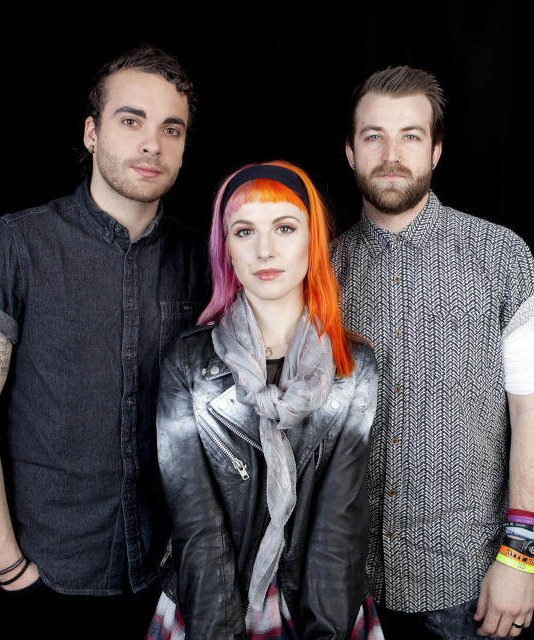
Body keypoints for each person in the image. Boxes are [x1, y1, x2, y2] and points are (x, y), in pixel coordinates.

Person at [0, 45, 208, 628]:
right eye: (130, 120)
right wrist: (9, 567)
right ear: (91, 132)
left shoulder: (205, 257)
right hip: (50, 575)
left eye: (172, 129)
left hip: (172, 577)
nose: (151, 144)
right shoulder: (17, 246)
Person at [331, 66, 534, 639]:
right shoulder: (320, 270)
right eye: (373, 135)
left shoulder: (502, 255)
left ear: (434, 151)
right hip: (346, 584)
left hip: (468, 580)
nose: (391, 153)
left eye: (410, 136)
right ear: (351, 153)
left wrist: (520, 556)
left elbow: (533, 411)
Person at [146, 161, 384, 640]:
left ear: (311, 241)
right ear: (226, 248)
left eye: (284, 227)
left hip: (321, 605)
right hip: (210, 600)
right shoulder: (186, 364)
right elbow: (197, 526)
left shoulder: (354, 367)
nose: (265, 249)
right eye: (244, 231)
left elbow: (337, 528)